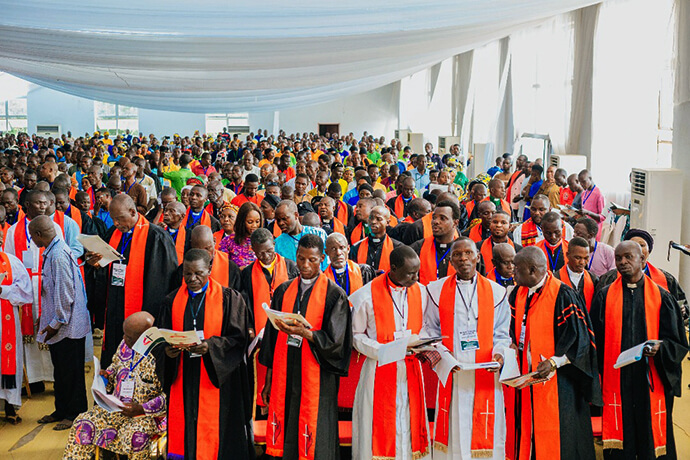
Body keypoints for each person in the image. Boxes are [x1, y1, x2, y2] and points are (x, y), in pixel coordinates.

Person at [590, 241, 688, 460]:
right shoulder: (604, 296)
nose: (623, 262)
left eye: (628, 257)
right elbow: (594, 340)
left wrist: (661, 348)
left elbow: (678, 342)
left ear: (642, 260)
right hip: (618, 378)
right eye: (618, 258)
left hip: (650, 379)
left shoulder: (663, 298)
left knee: (650, 433)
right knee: (621, 432)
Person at [259, 234, 352, 460]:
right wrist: (269, 380)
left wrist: (307, 334)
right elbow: (271, 340)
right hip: (286, 372)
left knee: (315, 434)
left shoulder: (334, 294)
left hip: (317, 376)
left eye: (312, 260)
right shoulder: (283, 290)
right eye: (301, 259)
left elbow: (337, 342)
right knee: (285, 422)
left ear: (322, 258)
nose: (305, 265)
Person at [160, 249, 255, 460]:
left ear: (209, 270)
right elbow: (161, 339)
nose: (192, 279)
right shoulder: (171, 301)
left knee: (216, 431)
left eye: (198, 273)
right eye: (187, 274)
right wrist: (168, 351)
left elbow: (239, 340)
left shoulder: (230, 299)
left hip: (215, 377)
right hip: (183, 376)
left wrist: (211, 347)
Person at [507, 247, 601, 460]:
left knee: (560, 439)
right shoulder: (518, 293)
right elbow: (515, 330)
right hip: (526, 380)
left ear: (532, 270)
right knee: (528, 432)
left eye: (517, 268)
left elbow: (580, 340)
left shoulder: (563, 294)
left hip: (559, 383)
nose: (513, 272)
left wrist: (554, 362)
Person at [423, 237, 511, 459]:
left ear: (478, 257)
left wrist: (499, 356)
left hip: (485, 374)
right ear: (451, 260)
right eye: (458, 255)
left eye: (468, 253)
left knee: (487, 429)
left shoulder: (497, 292)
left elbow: (502, 333)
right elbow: (430, 332)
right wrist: (445, 358)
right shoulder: (435, 290)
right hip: (454, 372)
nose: (463, 258)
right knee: (454, 430)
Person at [349, 247, 431, 459]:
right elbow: (356, 335)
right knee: (377, 426)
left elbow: (426, 327)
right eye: (410, 273)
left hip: (410, 369)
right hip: (379, 369)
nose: (416, 278)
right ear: (393, 268)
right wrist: (383, 350)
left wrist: (423, 342)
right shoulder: (365, 295)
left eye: (417, 272)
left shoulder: (421, 292)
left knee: (409, 422)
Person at [87, 195, 178, 368]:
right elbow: (106, 267)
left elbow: (162, 282)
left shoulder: (156, 237)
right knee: (115, 348)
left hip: (142, 307)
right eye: (113, 219)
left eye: (120, 218)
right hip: (115, 304)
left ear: (132, 212)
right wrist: (97, 264)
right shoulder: (113, 233)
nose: (115, 223)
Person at [63, 312, 167, 459]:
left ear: (145, 337)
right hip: (118, 408)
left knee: (136, 436)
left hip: (147, 415)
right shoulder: (125, 344)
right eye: (124, 334)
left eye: (129, 337)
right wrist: (107, 376)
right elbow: (116, 366)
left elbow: (171, 395)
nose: (124, 339)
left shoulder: (163, 353)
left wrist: (141, 409)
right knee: (83, 422)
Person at [29, 215, 90, 431]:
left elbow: (66, 293)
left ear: (39, 235)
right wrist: (46, 317)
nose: (31, 240)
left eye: (32, 236)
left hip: (68, 325)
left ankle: (75, 413)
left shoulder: (58, 255)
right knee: (60, 370)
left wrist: (56, 322)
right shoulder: (54, 250)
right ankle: (61, 409)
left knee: (71, 371)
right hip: (60, 322)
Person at [4, 190, 68, 390]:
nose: (42, 206)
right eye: (37, 203)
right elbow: (9, 261)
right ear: (27, 206)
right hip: (25, 287)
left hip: (47, 284)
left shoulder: (53, 227)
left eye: (44, 203)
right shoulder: (14, 231)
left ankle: (53, 377)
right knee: (28, 337)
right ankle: (33, 380)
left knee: (49, 330)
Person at [596, 229, 689, 317]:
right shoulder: (609, 278)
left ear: (647, 252)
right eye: (633, 245)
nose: (638, 249)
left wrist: (682, 310)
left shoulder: (667, 279)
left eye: (642, 245)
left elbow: (683, 307)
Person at [239, 228, 299, 335]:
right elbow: (245, 304)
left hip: (288, 325)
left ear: (274, 244)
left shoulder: (291, 268)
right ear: (253, 250)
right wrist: (249, 327)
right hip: (261, 329)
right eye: (260, 253)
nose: (266, 256)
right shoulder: (247, 273)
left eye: (269, 251)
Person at [0, 248, 33, 424]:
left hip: (5, 322)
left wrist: (2, 291)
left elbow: (25, 292)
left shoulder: (12, 262)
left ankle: (9, 405)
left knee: (6, 359)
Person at [410, 200, 460, 284]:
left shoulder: (463, 250)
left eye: (442, 218)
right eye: (434, 217)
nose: (435, 222)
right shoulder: (417, 248)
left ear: (455, 223)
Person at [274, 200, 329, 271]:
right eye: (278, 220)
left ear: (296, 215)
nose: (281, 223)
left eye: (284, 219)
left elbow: (327, 265)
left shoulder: (318, 234)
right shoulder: (278, 244)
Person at [350, 206, 402, 273]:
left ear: (388, 222)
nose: (373, 222)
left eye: (378, 219)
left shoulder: (397, 248)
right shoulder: (356, 248)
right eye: (371, 218)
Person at [553, 236, 598, 311]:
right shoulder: (556, 279)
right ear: (567, 255)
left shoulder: (594, 280)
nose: (582, 262)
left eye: (586, 258)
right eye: (578, 258)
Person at [219, 201, 263, 268]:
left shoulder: (264, 240)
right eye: (250, 222)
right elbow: (221, 267)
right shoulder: (227, 241)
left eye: (257, 221)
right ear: (242, 221)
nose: (254, 225)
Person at [477, 210, 521, 276]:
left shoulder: (518, 250)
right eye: (495, 222)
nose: (498, 225)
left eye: (503, 223)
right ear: (490, 224)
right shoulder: (478, 247)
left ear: (510, 226)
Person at [179, 185, 222, 251]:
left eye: (198, 195)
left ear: (205, 199)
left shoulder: (213, 222)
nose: (193, 197)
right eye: (191, 194)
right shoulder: (180, 216)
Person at [575, 169, 605, 239]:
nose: (582, 184)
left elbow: (602, 217)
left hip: (594, 230)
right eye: (580, 182)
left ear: (590, 179)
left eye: (584, 182)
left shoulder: (598, 194)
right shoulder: (584, 193)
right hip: (585, 228)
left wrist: (588, 212)